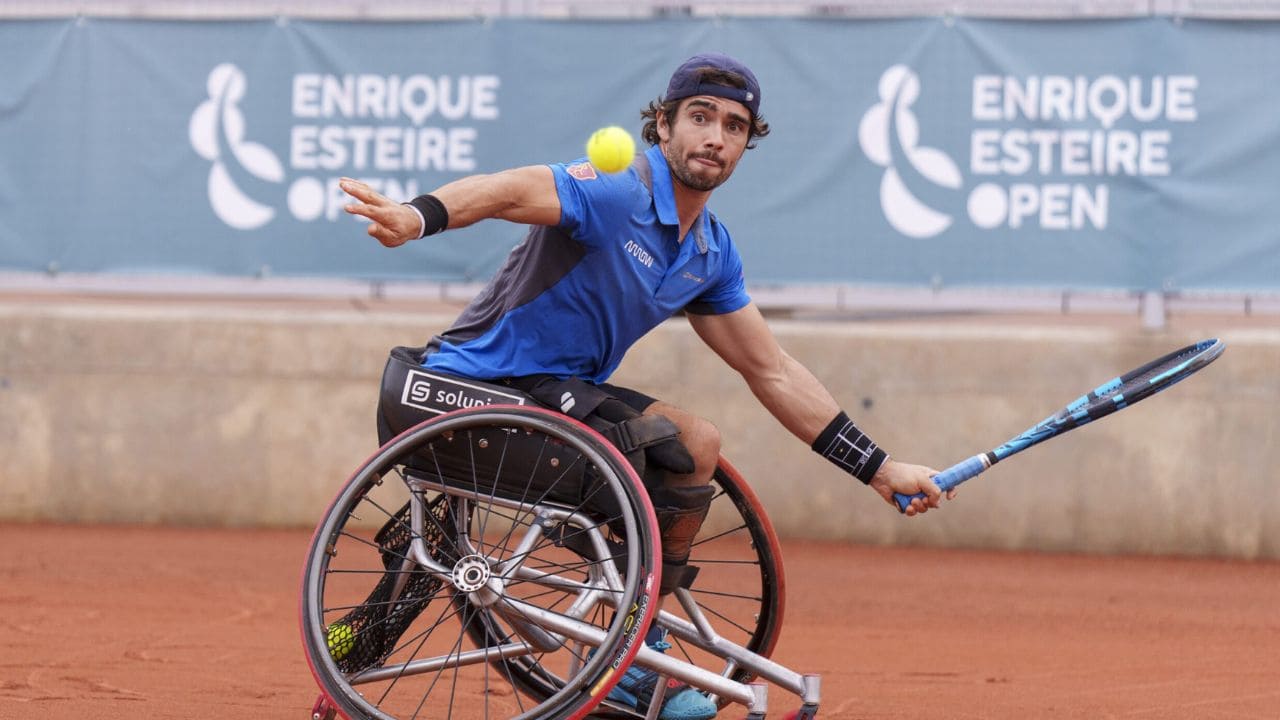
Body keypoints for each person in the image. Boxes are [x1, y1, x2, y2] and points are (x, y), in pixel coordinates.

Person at [341, 52, 954, 720]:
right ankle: (628, 650)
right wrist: (417, 216)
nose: (715, 137)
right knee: (648, 456)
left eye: (734, 126)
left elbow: (770, 370)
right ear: (663, 126)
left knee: (693, 446)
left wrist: (878, 468)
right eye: (700, 117)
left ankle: (632, 639)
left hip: (550, 394)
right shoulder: (618, 192)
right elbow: (510, 189)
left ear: (746, 145)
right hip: (464, 385)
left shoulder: (709, 253)